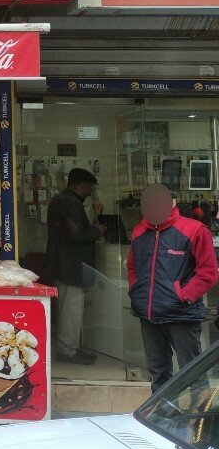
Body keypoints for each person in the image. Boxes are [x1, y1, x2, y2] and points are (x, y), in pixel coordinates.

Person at [127, 184, 218, 393]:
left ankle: (197, 421)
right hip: (149, 315)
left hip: (181, 314)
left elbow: (208, 272)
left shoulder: (194, 230)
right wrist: (136, 290)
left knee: (192, 374)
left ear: (173, 202)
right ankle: (160, 420)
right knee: (158, 373)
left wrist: (184, 296)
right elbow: (133, 267)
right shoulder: (140, 231)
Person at [46, 168, 107, 365]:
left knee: (69, 308)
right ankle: (67, 349)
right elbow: (77, 235)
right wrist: (97, 231)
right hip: (70, 265)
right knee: (71, 309)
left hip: (63, 263)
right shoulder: (70, 203)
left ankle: (71, 346)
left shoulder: (61, 200)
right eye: (89, 187)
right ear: (83, 185)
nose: (90, 192)